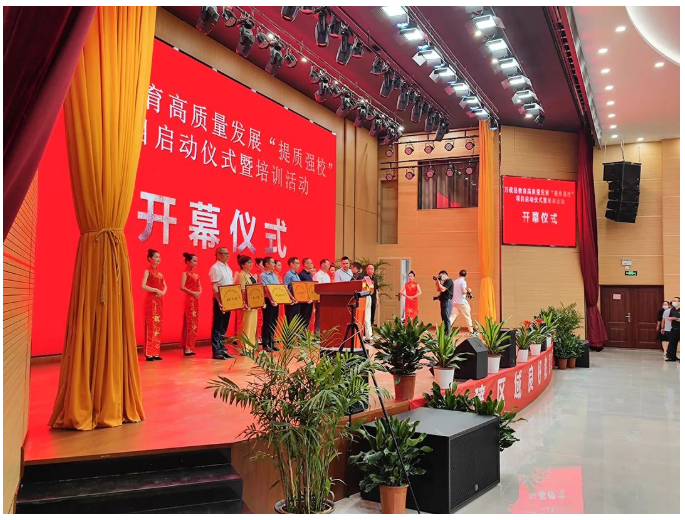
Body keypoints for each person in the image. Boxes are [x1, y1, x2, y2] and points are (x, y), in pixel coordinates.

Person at [209, 247, 234, 360]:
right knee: (218, 326)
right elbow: (214, 287)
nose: (227, 255)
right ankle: (216, 351)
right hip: (220, 299)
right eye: (225, 253)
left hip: (229, 300)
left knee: (224, 326)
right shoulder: (215, 268)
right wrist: (219, 301)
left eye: (228, 253)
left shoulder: (228, 268)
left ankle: (223, 349)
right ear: (218, 255)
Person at [142, 249, 167, 361]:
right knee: (151, 325)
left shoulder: (160, 274)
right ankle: (149, 353)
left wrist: (162, 292)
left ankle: (155, 352)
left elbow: (165, 286)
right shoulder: (147, 271)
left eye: (159, 257)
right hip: (151, 301)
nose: (158, 259)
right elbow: (143, 286)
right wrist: (156, 290)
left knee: (158, 324)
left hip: (159, 300)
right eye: (156, 257)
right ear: (150, 259)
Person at [179, 252, 201, 357]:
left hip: (196, 300)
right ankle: (187, 347)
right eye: (194, 261)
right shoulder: (185, 273)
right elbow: (182, 287)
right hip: (189, 299)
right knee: (189, 322)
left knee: (194, 323)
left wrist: (199, 292)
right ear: (188, 261)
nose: (196, 263)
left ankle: (190, 346)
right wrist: (193, 293)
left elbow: (200, 286)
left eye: (196, 261)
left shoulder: (196, 274)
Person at [237, 255, 259, 351]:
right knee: (246, 325)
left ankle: (251, 346)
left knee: (252, 325)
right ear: (242, 265)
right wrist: (245, 303)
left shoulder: (250, 275)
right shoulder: (241, 275)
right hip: (247, 304)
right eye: (248, 262)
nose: (251, 264)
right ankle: (244, 347)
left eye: (251, 262)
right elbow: (243, 291)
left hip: (254, 304)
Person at [260, 257, 280, 352]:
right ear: (267, 264)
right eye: (272, 262)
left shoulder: (274, 275)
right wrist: (271, 300)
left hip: (276, 300)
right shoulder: (263, 275)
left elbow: (278, 288)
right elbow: (266, 289)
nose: (274, 264)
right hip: (268, 300)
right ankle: (265, 344)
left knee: (274, 322)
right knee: (267, 322)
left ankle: (272, 343)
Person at [283, 257, 302, 324]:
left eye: (299, 263)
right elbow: (285, 287)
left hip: (297, 300)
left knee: (296, 321)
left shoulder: (296, 274)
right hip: (291, 301)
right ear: (291, 264)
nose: (299, 265)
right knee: (289, 321)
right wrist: (292, 297)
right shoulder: (288, 274)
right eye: (297, 263)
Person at [314, 259, 331, 332]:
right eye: (328, 264)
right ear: (323, 265)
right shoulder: (317, 275)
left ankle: (324, 333)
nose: (329, 266)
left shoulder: (327, 275)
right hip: (320, 299)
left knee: (326, 318)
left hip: (327, 299)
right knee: (319, 317)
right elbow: (318, 287)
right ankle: (317, 334)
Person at [299, 258, 315, 328]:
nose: (312, 264)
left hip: (310, 300)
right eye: (311, 263)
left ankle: (305, 333)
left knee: (308, 318)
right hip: (304, 301)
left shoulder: (309, 274)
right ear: (305, 264)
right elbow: (301, 288)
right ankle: (301, 334)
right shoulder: (301, 274)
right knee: (303, 318)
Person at [365, 264, 379, 342]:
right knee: (367, 317)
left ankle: (371, 332)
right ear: (366, 269)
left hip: (373, 299)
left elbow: (376, 290)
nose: (370, 270)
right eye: (369, 268)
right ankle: (366, 334)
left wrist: (377, 300)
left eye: (372, 269)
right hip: (367, 299)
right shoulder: (364, 278)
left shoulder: (375, 279)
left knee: (372, 316)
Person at [665, 297, 680, 362]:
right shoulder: (672, 310)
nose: (673, 302)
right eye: (672, 301)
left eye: (675, 301)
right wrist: (671, 318)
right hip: (674, 328)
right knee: (673, 343)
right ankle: (672, 357)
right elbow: (669, 318)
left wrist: (678, 319)